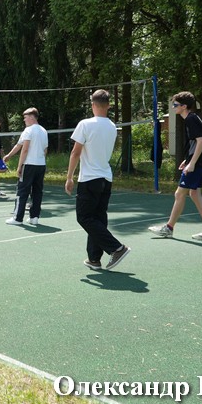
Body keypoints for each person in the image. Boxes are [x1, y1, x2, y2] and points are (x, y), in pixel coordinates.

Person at [65, 90, 132, 271]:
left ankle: (117, 248)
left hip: (89, 179)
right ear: (108, 105)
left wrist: (69, 177)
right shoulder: (111, 126)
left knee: (84, 217)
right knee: (98, 218)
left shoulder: (85, 124)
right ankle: (94, 259)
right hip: (105, 178)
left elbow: (76, 152)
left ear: (92, 104)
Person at [148, 91, 202, 240]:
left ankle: (168, 228)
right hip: (196, 161)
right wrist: (187, 160)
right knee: (194, 194)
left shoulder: (191, 119)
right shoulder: (190, 119)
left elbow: (201, 141)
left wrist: (192, 163)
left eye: (175, 105)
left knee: (179, 194)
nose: (173, 107)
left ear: (184, 106)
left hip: (197, 163)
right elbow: (194, 143)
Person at [3, 108, 48, 226]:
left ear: (32, 117)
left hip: (28, 165)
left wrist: (19, 167)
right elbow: (44, 150)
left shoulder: (29, 130)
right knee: (37, 192)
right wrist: (9, 155)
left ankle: (17, 218)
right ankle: (34, 217)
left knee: (22, 191)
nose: (24, 120)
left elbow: (24, 149)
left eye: (25, 117)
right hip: (41, 165)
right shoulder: (43, 131)